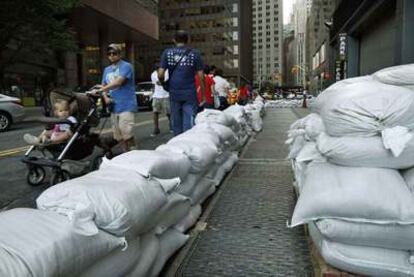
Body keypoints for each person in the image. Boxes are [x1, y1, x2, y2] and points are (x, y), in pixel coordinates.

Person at [158, 30, 205, 136]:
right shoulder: (194, 53)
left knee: (176, 121)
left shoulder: (167, 53)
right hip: (190, 93)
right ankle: (188, 144)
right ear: (188, 40)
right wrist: (203, 95)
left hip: (174, 92)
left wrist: (163, 83)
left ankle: (177, 146)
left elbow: (160, 74)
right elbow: (201, 76)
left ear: (174, 40)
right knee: (189, 120)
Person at [95, 43, 138, 152]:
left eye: (114, 53)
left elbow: (119, 82)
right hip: (114, 106)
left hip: (126, 104)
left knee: (126, 132)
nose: (111, 55)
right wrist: (105, 98)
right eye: (109, 53)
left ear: (120, 54)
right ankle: (125, 154)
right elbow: (103, 86)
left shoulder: (126, 66)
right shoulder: (107, 70)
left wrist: (102, 90)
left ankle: (133, 151)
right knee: (118, 135)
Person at [151, 63, 171, 136]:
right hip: (156, 95)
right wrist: (153, 93)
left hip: (166, 95)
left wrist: (162, 82)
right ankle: (156, 128)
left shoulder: (167, 72)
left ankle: (171, 125)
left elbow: (167, 82)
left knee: (169, 113)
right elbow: (154, 85)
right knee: (155, 112)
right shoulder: (153, 74)